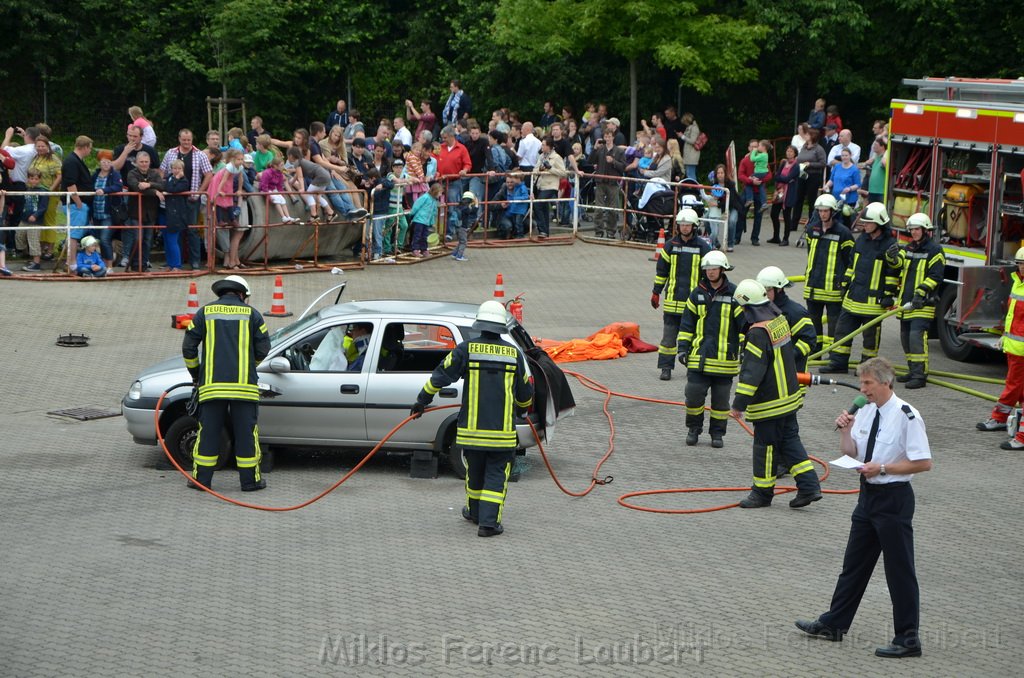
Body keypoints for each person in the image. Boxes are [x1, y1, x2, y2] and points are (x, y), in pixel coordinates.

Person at [796, 357, 932, 658]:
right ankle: (834, 624)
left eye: (868, 383)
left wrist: (882, 468)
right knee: (853, 565)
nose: (863, 389)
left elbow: (923, 462)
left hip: (893, 499)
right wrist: (845, 431)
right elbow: (852, 452)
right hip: (867, 496)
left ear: (886, 382)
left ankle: (908, 638)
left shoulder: (907, 415)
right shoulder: (867, 412)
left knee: (899, 571)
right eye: (862, 383)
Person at [410, 300, 533, 537]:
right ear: (500, 327)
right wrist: (522, 410)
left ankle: (474, 513)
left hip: (470, 432)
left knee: (475, 472)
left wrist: (422, 400)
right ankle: (488, 524)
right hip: (501, 435)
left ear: (480, 324)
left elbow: (441, 375)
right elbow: (525, 393)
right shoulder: (513, 354)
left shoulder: (466, 349)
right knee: (496, 476)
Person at [730, 279, 822, 508]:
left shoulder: (757, 333)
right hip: (790, 397)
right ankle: (809, 487)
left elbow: (752, 373)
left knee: (765, 447)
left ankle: (761, 493)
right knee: (790, 442)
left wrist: (739, 404)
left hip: (770, 402)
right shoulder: (778, 321)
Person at [182, 275, 271, 491]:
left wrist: (196, 374)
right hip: (244, 388)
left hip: (212, 387)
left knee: (208, 433)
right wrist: (250, 365)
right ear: (242, 294)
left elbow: (188, 349)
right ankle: (250, 482)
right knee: (246, 435)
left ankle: (201, 481)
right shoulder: (253, 315)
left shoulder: (204, 313)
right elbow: (264, 348)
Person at [820, 203, 900, 374]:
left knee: (870, 340)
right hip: (852, 298)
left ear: (879, 223)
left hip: (873, 303)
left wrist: (888, 295)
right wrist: (845, 283)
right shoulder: (862, 240)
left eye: (868, 222)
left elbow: (893, 272)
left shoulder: (889, 245)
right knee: (842, 332)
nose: (865, 225)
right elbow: (851, 264)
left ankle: (866, 369)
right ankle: (838, 363)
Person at [677, 251, 742, 448]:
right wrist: (682, 349)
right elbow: (687, 324)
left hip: (725, 361)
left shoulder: (734, 294)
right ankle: (693, 429)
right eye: (707, 269)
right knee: (694, 397)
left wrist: (745, 349)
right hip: (699, 358)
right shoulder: (697, 294)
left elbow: (744, 326)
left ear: (722, 269)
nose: (711, 272)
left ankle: (717, 434)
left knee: (721, 404)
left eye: (714, 269)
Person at [652, 207, 712, 381]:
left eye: (688, 225)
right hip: (672, 302)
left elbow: (710, 273)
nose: (685, 228)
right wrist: (656, 292)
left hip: (693, 304)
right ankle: (666, 368)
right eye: (682, 224)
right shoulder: (670, 246)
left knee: (694, 338)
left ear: (694, 226)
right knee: (668, 339)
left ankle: (691, 368)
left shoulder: (703, 247)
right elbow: (661, 272)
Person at [889, 213, 945, 390]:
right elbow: (899, 266)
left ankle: (920, 375)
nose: (914, 232)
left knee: (916, 338)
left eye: (917, 229)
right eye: (911, 229)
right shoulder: (909, 248)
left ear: (925, 230)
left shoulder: (935, 250)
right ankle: (912, 371)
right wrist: (892, 257)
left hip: (923, 303)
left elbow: (936, 276)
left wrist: (921, 292)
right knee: (905, 338)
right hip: (907, 303)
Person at [978, 246, 1024, 447]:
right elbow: (1013, 316)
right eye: (1020, 264)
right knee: (1017, 390)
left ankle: (1020, 436)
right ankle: (1001, 419)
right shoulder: (1017, 283)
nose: (1022, 268)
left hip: (1021, 350)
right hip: (1014, 348)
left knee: (1014, 387)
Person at [803, 194, 855, 353]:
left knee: (834, 324)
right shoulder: (812, 230)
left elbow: (850, 259)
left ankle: (833, 352)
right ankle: (816, 351)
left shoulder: (843, 233)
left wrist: (844, 280)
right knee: (813, 321)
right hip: (813, 286)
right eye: (820, 211)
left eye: (825, 211)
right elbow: (810, 252)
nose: (822, 214)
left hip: (833, 288)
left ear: (832, 211)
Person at [160, 129, 214, 270]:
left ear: (192, 140)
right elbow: (162, 172)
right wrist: (164, 187)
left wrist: (199, 192)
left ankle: (195, 261)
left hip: (191, 198)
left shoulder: (200, 154)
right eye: (184, 140)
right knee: (175, 230)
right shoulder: (170, 153)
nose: (186, 142)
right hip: (173, 200)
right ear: (179, 139)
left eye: (189, 140)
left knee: (192, 230)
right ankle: (176, 262)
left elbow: (208, 174)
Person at [756, 266, 815, 374]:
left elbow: (809, 340)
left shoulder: (795, 313)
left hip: (793, 375)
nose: (764, 293)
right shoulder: (761, 310)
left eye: (768, 289)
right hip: (768, 374)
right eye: (761, 289)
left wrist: (791, 355)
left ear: (779, 289)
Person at [61, 136, 96, 272]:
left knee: (75, 233)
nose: (90, 151)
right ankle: (72, 263)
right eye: (90, 148)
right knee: (74, 235)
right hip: (76, 204)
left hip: (77, 203)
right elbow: (71, 183)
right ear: (86, 147)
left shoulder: (75, 161)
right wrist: (79, 202)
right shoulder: (72, 162)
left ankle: (71, 262)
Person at [588, 125, 626, 239]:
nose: (608, 138)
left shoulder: (619, 151)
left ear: (613, 137)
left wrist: (613, 161)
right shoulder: (600, 150)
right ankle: (598, 230)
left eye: (609, 136)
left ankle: (611, 231)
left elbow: (623, 167)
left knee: (612, 209)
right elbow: (590, 161)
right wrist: (594, 148)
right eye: (606, 136)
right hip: (600, 181)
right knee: (598, 208)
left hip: (612, 183)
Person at [17, 168, 49, 272]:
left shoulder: (43, 191)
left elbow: (43, 207)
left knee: (33, 240)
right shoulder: (27, 190)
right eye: (32, 178)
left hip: (36, 221)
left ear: (39, 180)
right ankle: (27, 254)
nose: (34, 181)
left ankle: (36, 263)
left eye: (36, 179)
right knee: (19, 235)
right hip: (24, 218)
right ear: (28, 179)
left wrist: (35, 215)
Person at [408, 182, 443, 257]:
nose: (440, 195)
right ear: (435, 191)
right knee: (417, 236)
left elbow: (433, 212)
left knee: (424, 236)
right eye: (440, 193)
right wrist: (412, 214)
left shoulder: (434, 200)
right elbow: (416, 205)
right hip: (419, 220)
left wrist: (432, 222)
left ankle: (424, 249)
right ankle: (415, 249)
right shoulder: (425, 197)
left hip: (425, 222)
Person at [451, 191, 477, 261]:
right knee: (463, 242)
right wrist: (476, 205)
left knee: (460, 241)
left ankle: (454, 253)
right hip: (462, 227)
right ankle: (459, 256)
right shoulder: (466, 208)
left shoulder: (459, 206)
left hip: (457, 226)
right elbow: (473, 212)